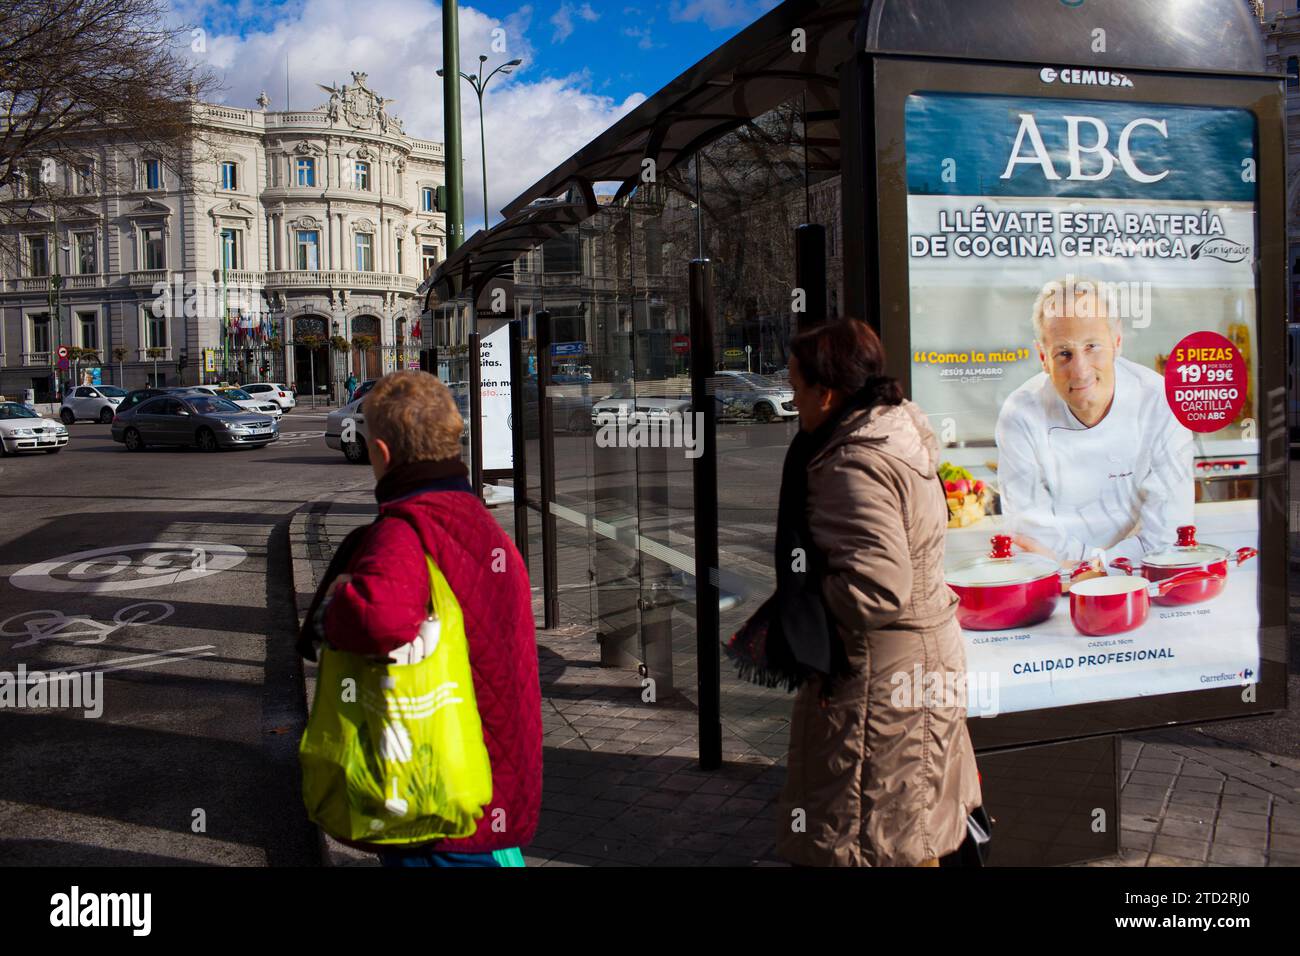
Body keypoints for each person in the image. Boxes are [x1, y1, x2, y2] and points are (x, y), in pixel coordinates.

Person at [298, 371, 542, 866]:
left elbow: (381, 619)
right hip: (489, 776)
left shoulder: (406, 529)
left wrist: (340, 598)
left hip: (436, 793)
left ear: (382, 455)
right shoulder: (476, 519)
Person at [775, 319, 982, 867]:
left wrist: (802, 598)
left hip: (881, 679)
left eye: (796, 386)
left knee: (876, 841)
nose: (791, 400)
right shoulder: (893, 430)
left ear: (828, 391)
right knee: (911, 830)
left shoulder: (852, 460)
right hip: (917, 661)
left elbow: (875, 589)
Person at [994, 277, 1194, 566]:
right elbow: (1031, 534)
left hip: (1140, 585)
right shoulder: (1020, 415)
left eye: (1092, 346)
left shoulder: (1161, 402)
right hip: (1058, 596)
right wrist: (1101, 567)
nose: (1080, 371)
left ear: (1117, 342)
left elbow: (1167, 535)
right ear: (1042, 357)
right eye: (1064, 353)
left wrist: (1082, 568)